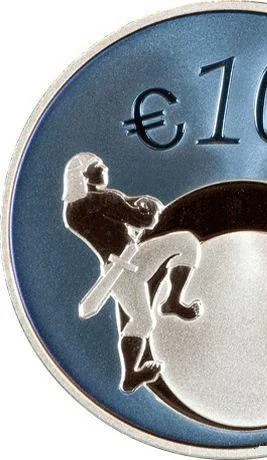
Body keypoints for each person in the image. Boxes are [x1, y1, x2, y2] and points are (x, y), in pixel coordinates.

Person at [63, 153, 202, 392]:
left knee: (142, 321)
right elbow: (144, 221)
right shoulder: (105, 199)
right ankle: (172, 302)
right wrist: (150, 207)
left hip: (116, 267)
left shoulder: (73, 210)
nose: (105, 168)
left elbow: (125, 203)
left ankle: (131, 374)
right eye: (98, 166)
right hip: (128, 263)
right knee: (187, 243)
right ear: (85, 176)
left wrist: (139, 203)